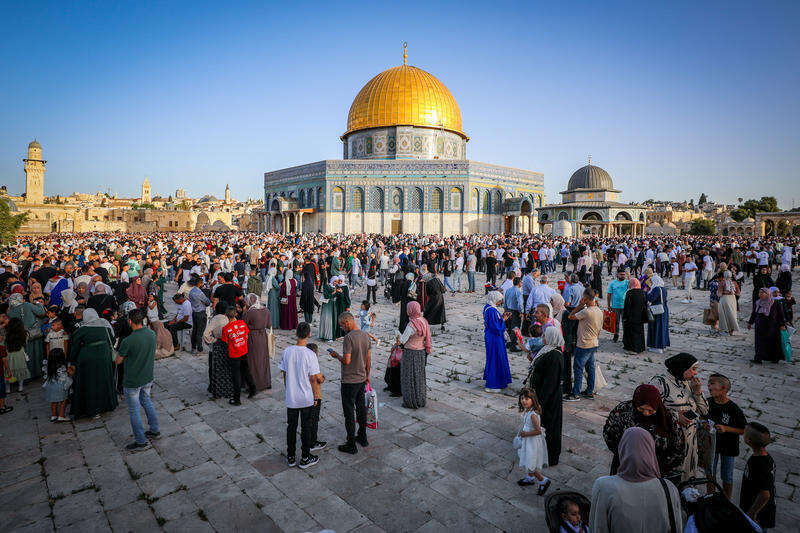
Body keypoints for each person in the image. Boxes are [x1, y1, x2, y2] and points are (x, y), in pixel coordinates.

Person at [589, 427, 682, 533]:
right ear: (651, 451)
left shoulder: (604, 487)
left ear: (622, 449)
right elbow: (677, 527)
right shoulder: (669, 489)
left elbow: (598, 527)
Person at [603, 384, 685, 480]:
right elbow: (609, 434)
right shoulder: (623, 411)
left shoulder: (668, 419)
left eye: (651, 410)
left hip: (656, 472)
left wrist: (663, 467)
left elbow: (678, 447)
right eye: (641, 409)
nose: (646, 413)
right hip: (625, 467)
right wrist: (623, 453)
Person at [650, 353, 709, 481]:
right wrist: (676, 416)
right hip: (672, 443)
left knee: (687, 480)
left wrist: (698, 392)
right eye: (693, 369)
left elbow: (704, 411)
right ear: (682, 368)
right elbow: (649, 411)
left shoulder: (689, 383)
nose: (695, 373)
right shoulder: (661, 382)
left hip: (690, 445)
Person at [278, 322, 323, 469]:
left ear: (296, 333)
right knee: (306, 427)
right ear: (309, 335)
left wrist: (288, 388)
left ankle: (291, 456)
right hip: (306, 397)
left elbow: (284, 373)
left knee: (291, 427)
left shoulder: (287, 351)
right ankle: (305, 457)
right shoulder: (310, 355)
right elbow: (314, 378)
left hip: (292, 397)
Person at [115, 309, 160, 451]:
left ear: (130, 322)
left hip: (133, 380)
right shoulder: (151, 334)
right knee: (147, 401)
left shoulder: (128, 341)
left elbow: (118, 361)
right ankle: (154, 429)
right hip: (147, 376)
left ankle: (140, 440)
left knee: (134, 410)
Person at [329, 312, 371, 454]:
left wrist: (336, 356)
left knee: (349, 413)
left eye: (341, 325)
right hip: (361, 378)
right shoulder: (365, 335)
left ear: (347, 322)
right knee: (361, 409)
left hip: (349, 380)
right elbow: (368, 359)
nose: (341, 328)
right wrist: (367, 376)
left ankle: (351, 444)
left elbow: (346, 361)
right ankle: (363, 437)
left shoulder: (348, 338)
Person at [521, 326, 564, 466]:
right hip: (541, 396)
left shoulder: (555, 356)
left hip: (548, 400)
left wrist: (539, 403)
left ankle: (549, 457)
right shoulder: (547, 350)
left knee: (548, 427)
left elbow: (550, 383)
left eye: (545, 335)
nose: (543, 337)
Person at [69, 308, 118, 418]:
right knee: (104, 380)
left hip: (87, 359)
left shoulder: (82, 330)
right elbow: (113, 340)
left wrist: (72, 360)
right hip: (104, 357)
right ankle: (106, 405)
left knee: (90, 383)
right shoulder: (105, 327)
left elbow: (75, 346)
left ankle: (92, 409)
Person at [706, 373, 747, 499]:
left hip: (728, 447)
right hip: (712, 445)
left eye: (712, 383)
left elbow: (743, 430)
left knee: (727, 475)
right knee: (710, 473)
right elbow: (702, 417)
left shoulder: (733, 408)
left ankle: (726, 500)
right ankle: (710, 497)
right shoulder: (708, 402)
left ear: (724, 389)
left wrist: (726, 428)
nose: (708, 385)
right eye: (709, 383)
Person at [565, 288, 603, 401]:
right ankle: (589, 391)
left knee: (578, 368)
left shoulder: (586, 311)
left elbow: (570, 316)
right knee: (590, 367)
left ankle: (575, 393)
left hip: (584, 344)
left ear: (586, 298)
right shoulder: (598, 310)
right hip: (594, 342)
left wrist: (580, 305)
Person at [515, 387, 551, 495]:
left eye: (527, 399)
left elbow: (538, 431)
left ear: (533, 400)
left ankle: (543, 480)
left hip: (531, 442)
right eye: (522, 398)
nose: (524, 401)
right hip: (527, 440)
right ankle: (530, 478)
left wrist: (525, 434)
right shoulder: (528, 411)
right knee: (527, 458)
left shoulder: (533, 415)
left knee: (530, 462)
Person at [740, 422, 776, 530]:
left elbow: (765, 494)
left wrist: (752, 512)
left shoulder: (760, 464)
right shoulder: (764, 457)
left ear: (749, 440)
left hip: (759, 514)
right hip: (753, 508)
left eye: (745, 433)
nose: (743, 434)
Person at [396, 301, 432, 409]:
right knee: (419, 377)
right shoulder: (423, 320)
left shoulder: (411, 325)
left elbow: (402, 341)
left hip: (410, 353)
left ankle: (411, 401)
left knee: (409, 377)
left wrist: (397, 336)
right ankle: (420, 399)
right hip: (421, 352)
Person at [221, 306, 256, 406]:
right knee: (246, 370)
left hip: (234, 354)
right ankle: (253, 388)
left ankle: (237, 398)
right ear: (236, 314)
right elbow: (246, 336)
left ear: (226, 316)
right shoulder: (242, 323)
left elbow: (226, 342)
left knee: (236, 376)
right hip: (244, 351)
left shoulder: (226, 329)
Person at [203, 302, 234, 399]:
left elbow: (206, 334)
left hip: (217, 346)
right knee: (226, 367)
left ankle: (214, 387)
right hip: (228, 345)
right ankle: (227, 388)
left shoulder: (215, 319)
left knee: (214, 367)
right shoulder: (229, 318)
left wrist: (212, 341)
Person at [483, 291, 512, 393]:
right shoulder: (491, 310)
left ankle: (498, 380)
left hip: (493, 336)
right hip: (494, 337)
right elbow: (496, 327)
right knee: (495, 359)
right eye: (499, 300)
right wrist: (503, 320)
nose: (500, 302)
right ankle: (493, 384)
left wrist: (502, 317)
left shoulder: (489, 307)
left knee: (496, 358)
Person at [748, 287, 787, 364]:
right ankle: (758, 359)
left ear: (768, 294)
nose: (760, 294)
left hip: (772, 326)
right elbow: (754, 313)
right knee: (759, 343)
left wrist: (782, 324)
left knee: (773, 343)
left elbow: (781, 315)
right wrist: (750, 322)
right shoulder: (758, 302)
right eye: (759, 293)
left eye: (762, 293)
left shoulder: (775, 303)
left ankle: (774, 358)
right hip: (760, 326)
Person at [243, 293, 271, 391]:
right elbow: (269, 324)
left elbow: (244, 324)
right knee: (263, 359)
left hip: (252, 337)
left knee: (253, 360)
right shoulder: (266, 310)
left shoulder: (249, 312)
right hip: (263, 336)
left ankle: (253, 383)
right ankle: (265, 382)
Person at [305, 342, 326, 452]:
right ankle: (312, 442)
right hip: (315, 395)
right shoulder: (313, 364)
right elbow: (319, 379)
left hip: (305, 395)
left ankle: (307, 440)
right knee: (314, 420)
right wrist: (323, 377)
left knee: (307, 420)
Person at [43, 348, 73, 422]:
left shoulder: (49, 366)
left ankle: (53, 415)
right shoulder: (63, 366)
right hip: (61, 386)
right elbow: (71, 373)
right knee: (63, 400)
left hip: (51, 385)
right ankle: (61, 415)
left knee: (54, 401)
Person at [621, 278, 648, 354]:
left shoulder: (630, 293)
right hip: (640, 316)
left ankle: (632, 349)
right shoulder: (643, 292)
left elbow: (627, 306)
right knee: (639, 332)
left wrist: (625, 316)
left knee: (631, 333)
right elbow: (645, 305)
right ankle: (640, 348)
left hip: (631, 316)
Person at [646, 274, 670, 353]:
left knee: (656, 327)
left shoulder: (656, 289)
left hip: (657, 311)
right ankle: (663, 345)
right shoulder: (663, 289)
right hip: (663, 310)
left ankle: (657, 346)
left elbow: (651, 298)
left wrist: (646, 293)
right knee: (663, 327)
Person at [188, 277, 211, 355]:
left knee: (195, 330)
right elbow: (208, 302)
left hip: (194, 312)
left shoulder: (191, 291)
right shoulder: (199, 292)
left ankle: (193, 348)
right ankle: (200, 349)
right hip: (201, 313)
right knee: (200, 332)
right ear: (200, 283)